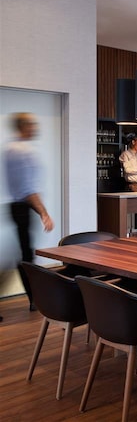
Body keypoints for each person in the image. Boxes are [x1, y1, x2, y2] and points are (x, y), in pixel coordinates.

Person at [3, 112, 55, 312]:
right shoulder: (22, 150)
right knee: (26, 256)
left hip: (18, 206)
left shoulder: (11, 148)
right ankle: (36, 299)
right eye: (32, 124)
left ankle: (35, 298)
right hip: (23, 207)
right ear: (23, 126)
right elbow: (27, 189)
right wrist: (44, 213)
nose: (35, 127)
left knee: (23, 253)